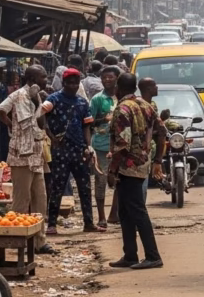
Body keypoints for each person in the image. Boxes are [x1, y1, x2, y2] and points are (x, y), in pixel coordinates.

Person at [107, 73, 165, 270]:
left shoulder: (122, 109)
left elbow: (122, 144)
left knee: (138, 212)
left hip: (128, 167)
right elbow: (162, 130)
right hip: (142, 164)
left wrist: (112, 171)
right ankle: (130, 254)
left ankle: (153, 255)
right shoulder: (146, 105)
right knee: (125, 212)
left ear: (119, 88)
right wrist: (157, 159)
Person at [0, 65, 54, 254]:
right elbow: (0, 110)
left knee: (40, 198)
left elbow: (39, 121)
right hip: (20, 155)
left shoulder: (37, 96)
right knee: (22, 199)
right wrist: (11, 128)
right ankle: (17, 241)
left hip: (36, 155)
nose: (46, 79)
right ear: (31, 79)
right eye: (43, 76)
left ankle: (39, 241)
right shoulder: (18, 95)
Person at [43, 68, 104, 234]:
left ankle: (89, 223)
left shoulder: (82, 102)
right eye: (69, 82)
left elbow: (87, 126)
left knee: (85, 188)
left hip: (79, 151)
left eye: (76, 83)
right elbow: (42, 118)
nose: (73, 85)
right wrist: (51, 137)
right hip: (60, 151)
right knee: (57, 188)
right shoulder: (53, 99)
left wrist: (88, 146)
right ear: (63, 83)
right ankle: (52, 224)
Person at [90, 65, 120, 228]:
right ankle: (101, 217)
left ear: (117, 78)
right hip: (101, 146)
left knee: (119, 181)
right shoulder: (97, 99)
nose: (107, 80)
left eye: (110, 77)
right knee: (100, 181)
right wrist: (103, 119)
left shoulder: (121, 98)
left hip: (120, 147)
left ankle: (114, 214)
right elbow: (88, 122)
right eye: (104, 78)